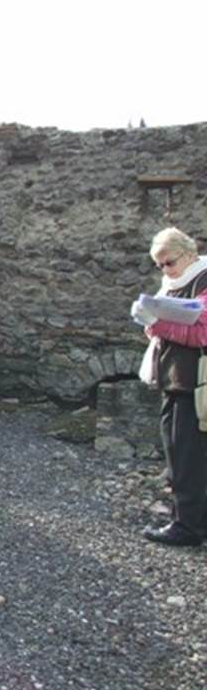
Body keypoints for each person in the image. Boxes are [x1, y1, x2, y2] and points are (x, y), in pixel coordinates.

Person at [134, 227, 207, 546]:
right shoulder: (175, 283)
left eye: (169, 262)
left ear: (189, 253)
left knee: (187, 456)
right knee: (180, 453)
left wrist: (157, 323)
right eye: (159, 265)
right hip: (175, 380)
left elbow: (201, 333)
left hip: (193, 383)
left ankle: (188, 526)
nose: (164, 270)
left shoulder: (203, 281)